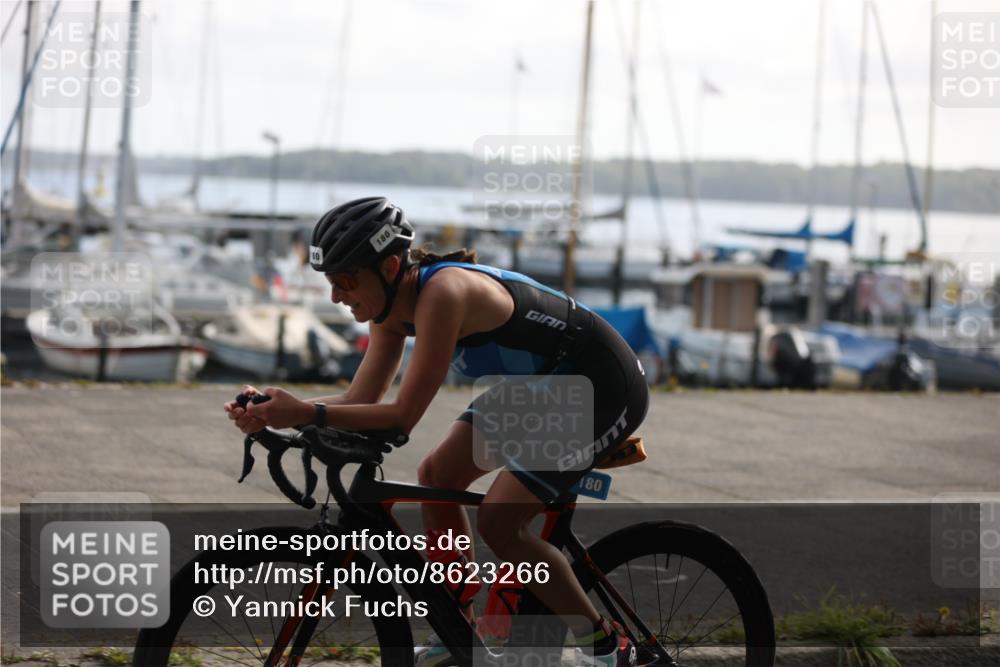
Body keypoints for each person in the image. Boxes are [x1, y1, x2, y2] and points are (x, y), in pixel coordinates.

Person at [224, 196, 649, 667]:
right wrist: (274, 409)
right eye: (329, 283)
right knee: (437, 475)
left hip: (601, 386)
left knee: (499, 522)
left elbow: (403, 416)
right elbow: (358, 401)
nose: (335, 297)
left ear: (388, 266)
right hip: (541, 389)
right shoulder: (389, 311)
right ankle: (457, 630)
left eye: (345, 281)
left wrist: (305, 412)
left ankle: (611, 647)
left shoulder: (444, 294)